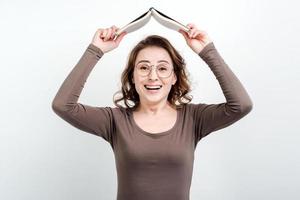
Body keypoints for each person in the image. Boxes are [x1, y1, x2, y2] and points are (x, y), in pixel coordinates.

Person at [52, 23, 253, 200]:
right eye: (143, 68)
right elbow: (63, 105)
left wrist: (207, 51)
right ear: (132, 76)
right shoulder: (115, 120)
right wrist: (96, 50)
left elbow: (241, 105)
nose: (153, 76)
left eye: (163, 68)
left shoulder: (193, 118)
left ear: (174, 77)